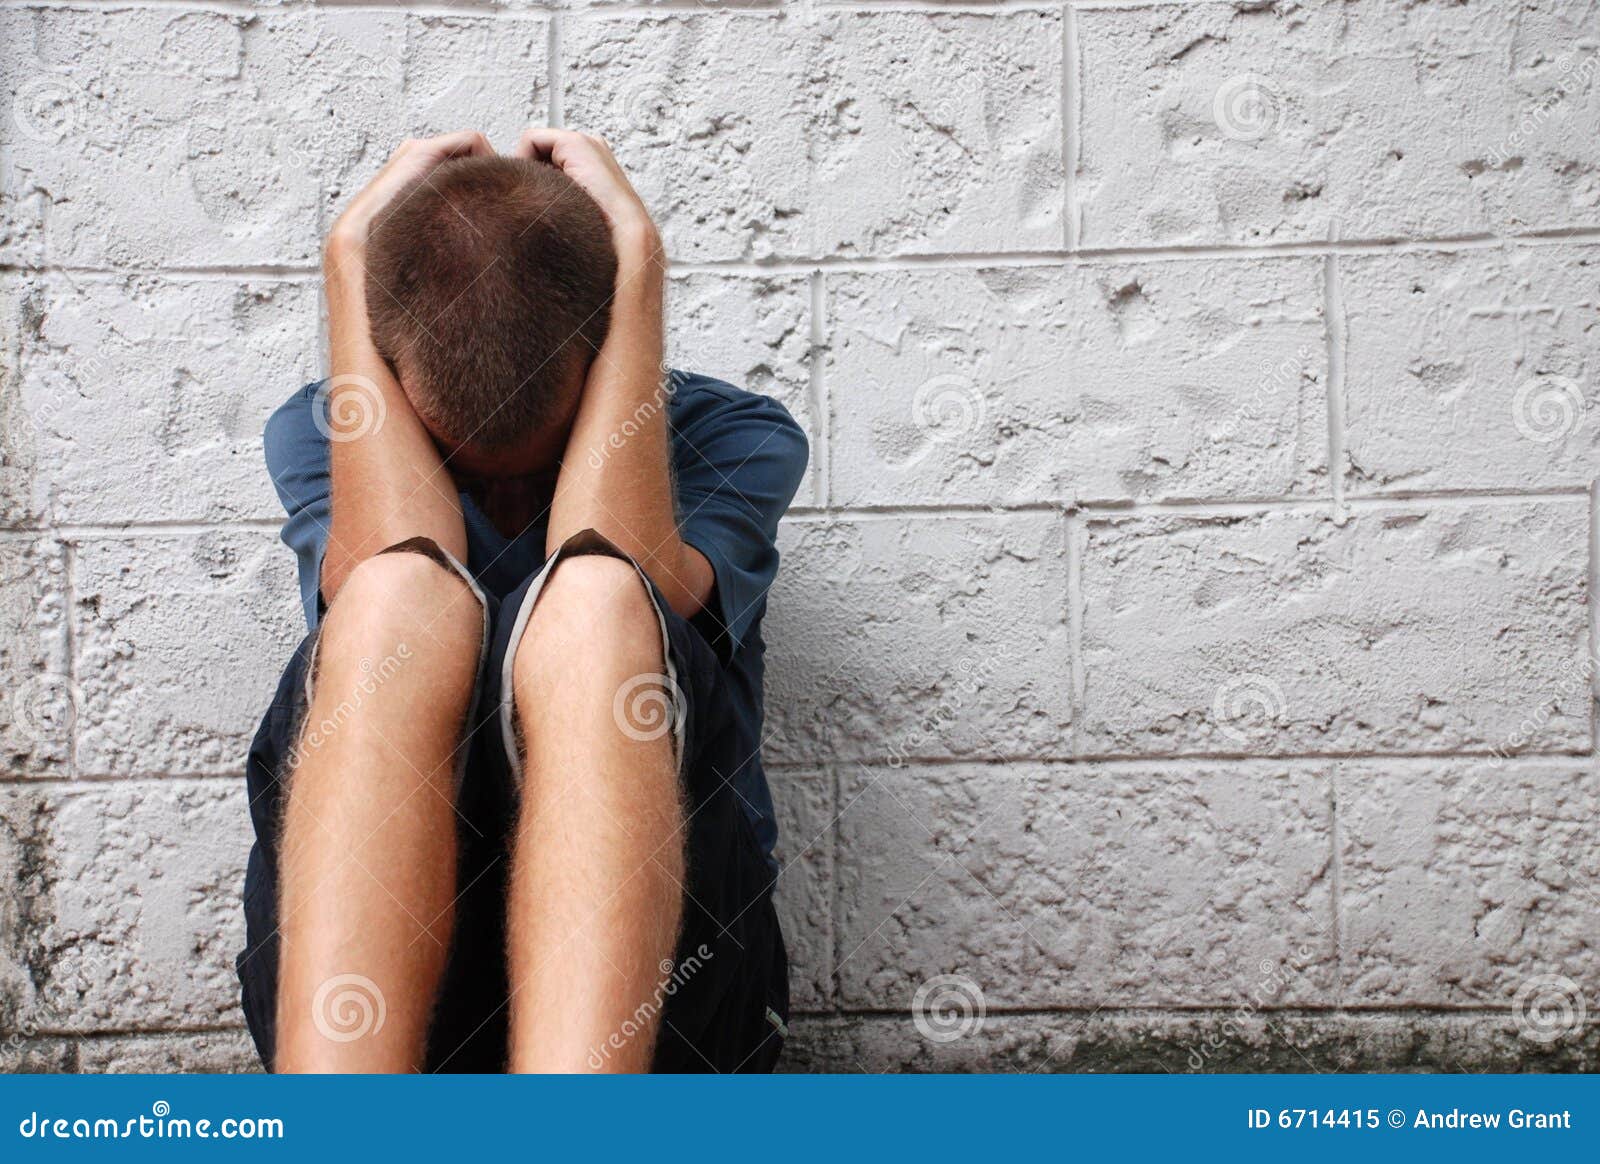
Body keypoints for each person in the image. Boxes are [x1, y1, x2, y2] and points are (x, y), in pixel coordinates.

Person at [233, 129, 808, 1073]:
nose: (502, 506)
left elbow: (626, 569)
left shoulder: (736, 434)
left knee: (593, 600)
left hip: (670, 1013)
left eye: (533, 468)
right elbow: (382, 562)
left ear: (612, 359)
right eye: (466, 471)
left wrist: (641, 273)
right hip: (390, 1014)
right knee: (394, 596)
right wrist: (346, 269)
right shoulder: (331, 422)